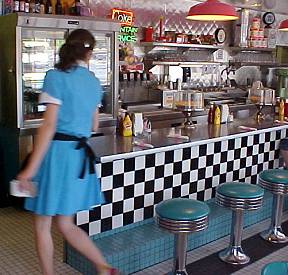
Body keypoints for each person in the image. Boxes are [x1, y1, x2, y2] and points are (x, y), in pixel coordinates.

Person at [16, 29, 118, 275]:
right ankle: (103, 266)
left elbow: (49, 125)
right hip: (78, 157)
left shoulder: (55, 76)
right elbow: (93, 126)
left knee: (42, 225)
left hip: (58, 156)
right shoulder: (93, 82)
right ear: (90, 53)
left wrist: (28, 170)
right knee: (66, 223)